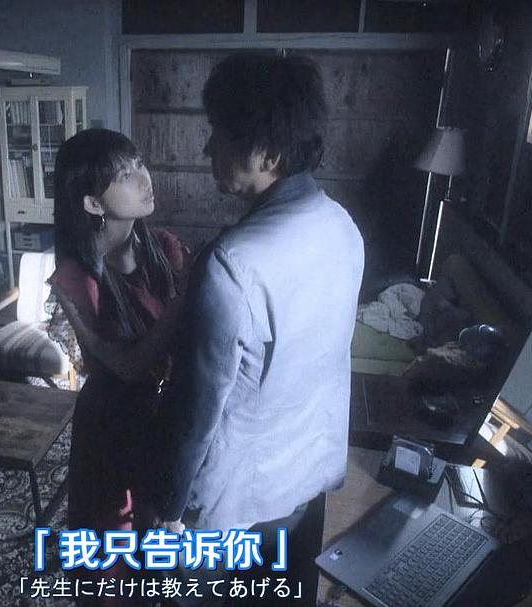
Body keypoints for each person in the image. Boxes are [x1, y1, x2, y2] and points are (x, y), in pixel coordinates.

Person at [151, 51, 365, 602]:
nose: (207, 148)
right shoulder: (342, 226)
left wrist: (167, 508)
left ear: (268, 153)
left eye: (219, 134)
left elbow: (196, 412)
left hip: (236, 500)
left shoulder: (232, 264)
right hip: (306, 475)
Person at [47, 128, 189, 605]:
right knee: (114, 554)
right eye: (125, 174)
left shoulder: (163, 247)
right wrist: (185, 299)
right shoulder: (77, 275)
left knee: (160, 541)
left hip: (165, 414)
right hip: (113, 423)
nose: (144, 178)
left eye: (140, 163)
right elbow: (128, 367)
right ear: (92, 203)